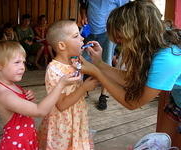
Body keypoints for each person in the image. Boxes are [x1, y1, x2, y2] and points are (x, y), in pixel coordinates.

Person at [80, 0, 181, 148]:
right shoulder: (157, 42)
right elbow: (133, 80)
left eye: (121, 39)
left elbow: (133, 103)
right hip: (177, 99)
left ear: (135, 34)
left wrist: (97, 72)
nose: (120, 44)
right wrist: (100, 64)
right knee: (164, 143)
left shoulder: (167, 58)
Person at [0, 41, 80, 150]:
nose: (22, 67)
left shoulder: (7, 84)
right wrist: (60, 85)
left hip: (25, 138)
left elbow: (21, 109)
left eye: (23, 62)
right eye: (17, 62)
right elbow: (39, 111)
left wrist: (27, 99)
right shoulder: (4, 94)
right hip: (17, 144)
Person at [37, 20, 98, 150]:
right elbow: (61, 105)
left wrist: (97, 61)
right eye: (76, 36)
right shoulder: (54, 70)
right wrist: (84, 88)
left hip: (77, 116)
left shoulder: (75, 61)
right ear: (62, 46)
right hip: (63, 121)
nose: (82, 38)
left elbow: (95, 72)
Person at [79, 0, 129, 111]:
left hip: (108, 33)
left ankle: (103, 95)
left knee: (106, 62)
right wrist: (83, 16)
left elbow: (125, 13)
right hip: (90, 31)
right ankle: (82, 89)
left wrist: (115, 27)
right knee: (83, 60)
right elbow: (83, 5)